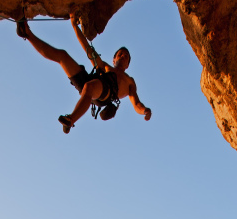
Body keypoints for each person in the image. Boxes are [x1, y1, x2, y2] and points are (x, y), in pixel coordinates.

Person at [17, 14, 152, 133]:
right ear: (114, 59)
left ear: (128, 65)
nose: (123, 56)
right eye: (120, 54)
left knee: (90, 87)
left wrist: (145, 111)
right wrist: (75, 26)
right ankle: (27, 33)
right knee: (62, 56)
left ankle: (70, 120)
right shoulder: (104, 66)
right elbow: (89, 50)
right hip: (90, 83)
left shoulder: (129, 81)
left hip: (104, 93)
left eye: (126, 56)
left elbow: (136, 103)